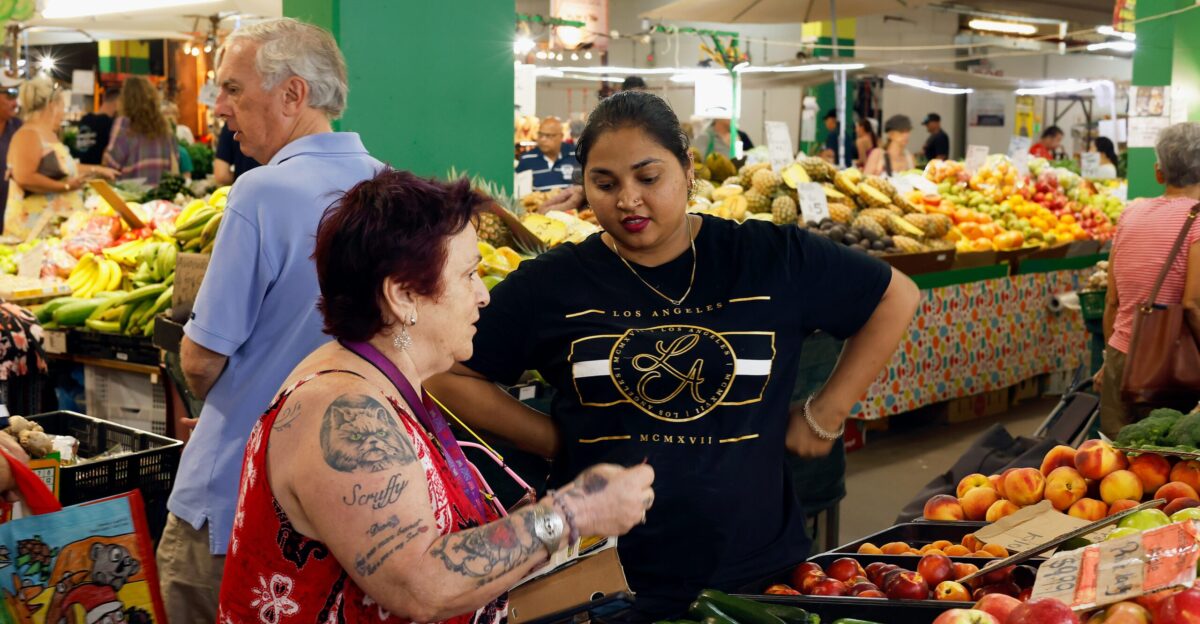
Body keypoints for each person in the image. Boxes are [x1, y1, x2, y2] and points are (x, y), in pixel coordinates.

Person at [428, 91, 920, 620]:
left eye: (648, 177)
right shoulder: (553, 283)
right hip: (612, 580)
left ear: (687, 170)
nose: (628, 200)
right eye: (605, 183)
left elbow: (896, 295)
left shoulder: (767, 257)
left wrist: (827, 413)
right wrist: (551, 437)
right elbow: (445, 372)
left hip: (759, 572)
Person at [217, 169, 655, 622]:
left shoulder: (384, 382)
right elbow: (421, 584)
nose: (484, 295)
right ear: (403, 296)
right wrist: (571, 513)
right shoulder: (342, 409)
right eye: (468, 275)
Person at [161, 18, 384, 622]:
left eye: (233, 88)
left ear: (293, 94)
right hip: (342, 507)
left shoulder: (261, 192)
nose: (219, 107)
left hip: (236, 497)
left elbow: (201, 358)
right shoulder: (390, 189)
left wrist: (229, 401)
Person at [1094, 122, 1200, 436]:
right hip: (1171, 365)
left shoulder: (1130, 214)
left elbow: (1112, 301)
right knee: (1165, 467)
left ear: (1158, 172)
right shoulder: (1197, 222)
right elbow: (1193, 304)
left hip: (1120, 357)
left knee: (1116, 468)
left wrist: (1106, 359)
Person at [6, 77, 117, 238]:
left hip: (50, 225)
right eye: (63, 107)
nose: (63, 113)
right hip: (33, 228)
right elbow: (24, 177)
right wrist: (66, 187)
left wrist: (98, 169)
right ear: (53, 105)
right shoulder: (28, 134)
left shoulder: (48, 134)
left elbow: (63, 166)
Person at [102, 75, 178, 185]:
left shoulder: (124, 124)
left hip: (132, 196)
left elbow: (112, 163)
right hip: (160, 194)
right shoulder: (164, 125)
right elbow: (175, 157)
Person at [515, 116, 579, 192]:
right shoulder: (527, 159)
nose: (543, 139)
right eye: (540, 135)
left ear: (561, 136)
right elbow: (520, 193)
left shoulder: (576, 156)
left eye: (548, 136)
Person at [73, 87, 118, 165]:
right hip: (99, 171)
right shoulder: (110, 123)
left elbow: (79, 147)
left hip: (81, 168)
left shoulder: (85, 119)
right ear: (117, 102)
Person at [0, 76, 23, 212]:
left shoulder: (17, 127)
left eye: (16, 95)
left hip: (10, 213)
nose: (15, 103)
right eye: (10, 95)